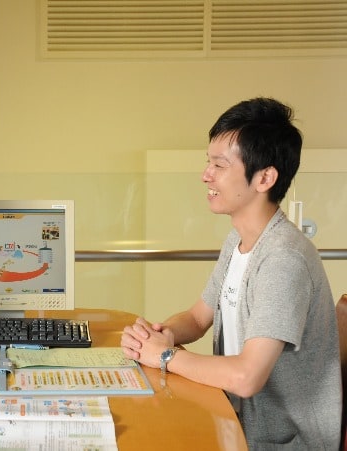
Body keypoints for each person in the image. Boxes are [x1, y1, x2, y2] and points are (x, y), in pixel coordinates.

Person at [121, 97, 341, 450]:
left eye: (220, 165)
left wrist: (164, 356)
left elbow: (246, 377)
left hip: (281, 442)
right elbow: (196, 317)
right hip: (237, 420)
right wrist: (157, 335)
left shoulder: (283, 259)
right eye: (208, 162)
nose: (206, 175)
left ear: (265, 177)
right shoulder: (239, 240)